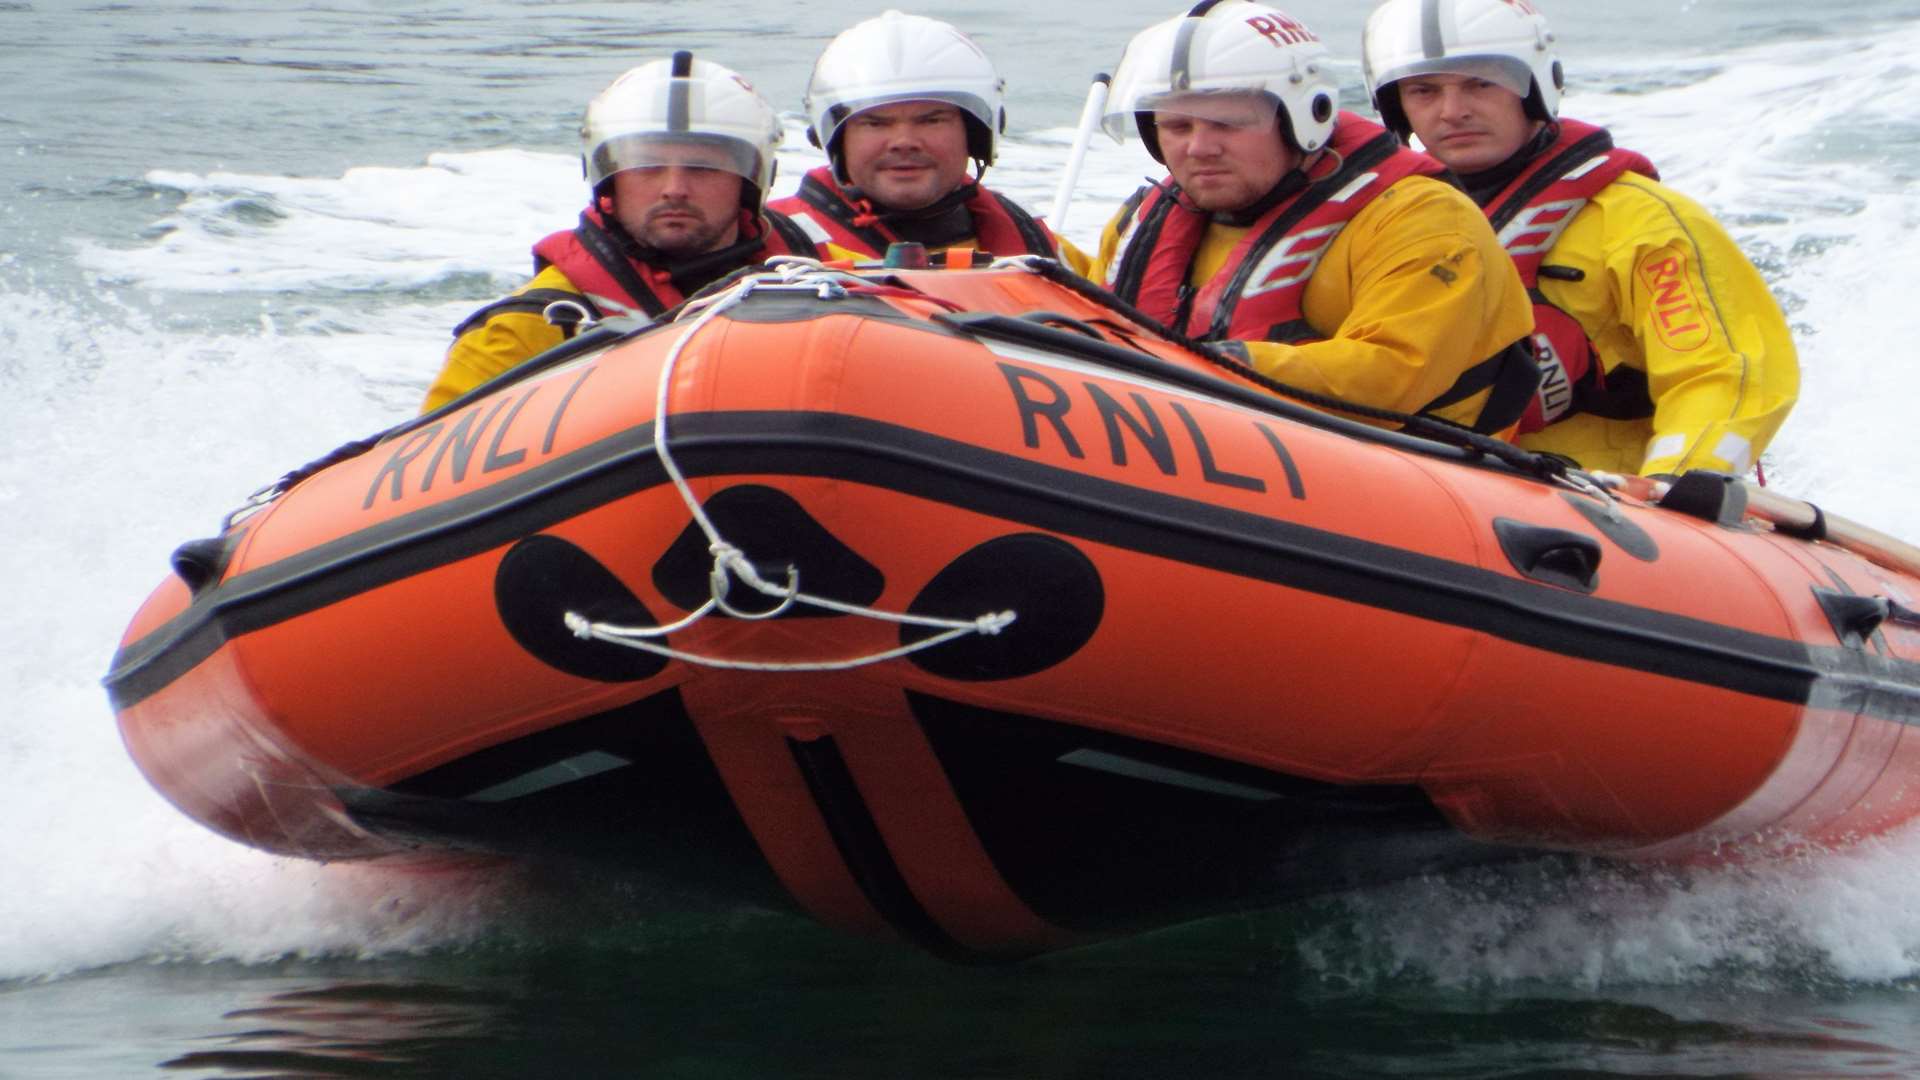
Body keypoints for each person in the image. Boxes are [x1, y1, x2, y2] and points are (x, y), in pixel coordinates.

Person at [1362, 0, 1799, 478]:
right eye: (1423, 91)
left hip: (1601, 503)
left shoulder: (1639, 222)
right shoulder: (1381, 226)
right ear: (1395, 107)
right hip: (1432, 483)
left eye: (1481, 83)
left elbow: (1725, 371)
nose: (1452, 111)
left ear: (1533, 87)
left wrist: (1679, 479)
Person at [1089, 0, 1539, 437]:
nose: (1199, 148)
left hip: (1401, 480)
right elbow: (1087, 310)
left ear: (1302, 117)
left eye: (1226, 123)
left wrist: (1202, 364)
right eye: (1177, 127)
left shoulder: (1425, 220)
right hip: (1191, 447)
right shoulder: (1139, 222)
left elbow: (1391, 375)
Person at [421, 52, 816, 413]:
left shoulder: (813, 279)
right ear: (608, 181)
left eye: (703, 166)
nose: (674, 187)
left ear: (750, 181)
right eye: (646, 165)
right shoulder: (526, 331)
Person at [767, 10, 1070, 265]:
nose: (904, 141)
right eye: (875, 123)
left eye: (931, 120)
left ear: (976, 134)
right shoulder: (771, 251)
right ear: (835, 140)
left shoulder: (1035, 242)